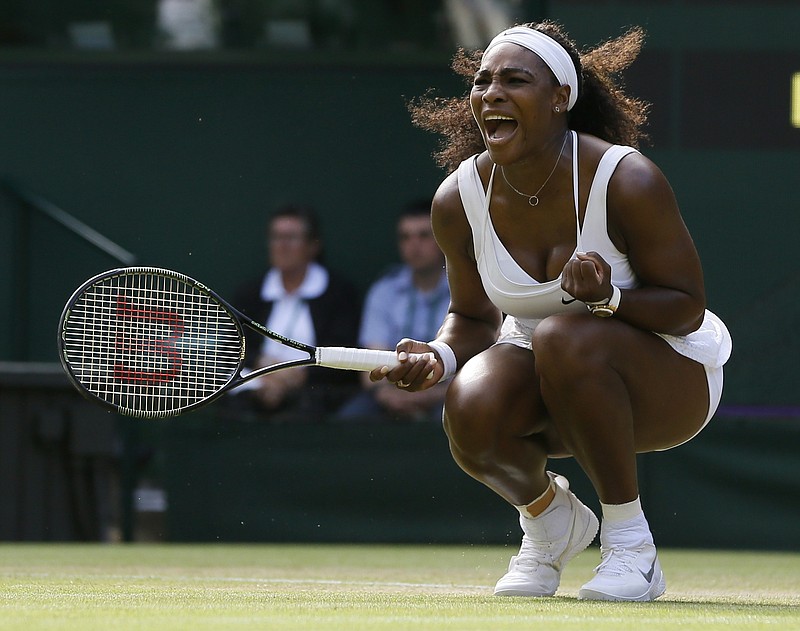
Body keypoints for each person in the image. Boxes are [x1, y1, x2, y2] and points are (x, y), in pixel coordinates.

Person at [372, 21, 732, 601]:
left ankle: (632, 548)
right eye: (484, 82)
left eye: (515, 80)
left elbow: (687, 309)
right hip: (553, 379)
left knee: (566, 336)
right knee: (471, 405)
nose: (491, 93)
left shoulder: (625, 178)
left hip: (671, 381)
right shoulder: (457, 200)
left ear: (560, 97)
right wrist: (438, 356)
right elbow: (472, 320)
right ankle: (550, 523)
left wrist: (606, 299)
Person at [226, 203, 360, 421]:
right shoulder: (249, 294)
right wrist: (264, 369)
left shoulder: (339, 293)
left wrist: (297, 376)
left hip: (314, 396)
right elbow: (232, 348)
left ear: (313, 245)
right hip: (255, 390)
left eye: (291, 238)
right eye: (276, 237)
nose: (282, 246)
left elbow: (344, 355)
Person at [336, 200, 450, 422]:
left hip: (446, 396)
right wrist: (389, 395)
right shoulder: (383, 291)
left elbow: (473, 371)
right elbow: (369, 367)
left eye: (424, 235)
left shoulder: (464, 290)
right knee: (352, 418)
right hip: (389, 395)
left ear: (442, 238)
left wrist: (427, 396)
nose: (414, 245)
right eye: (406, 237)